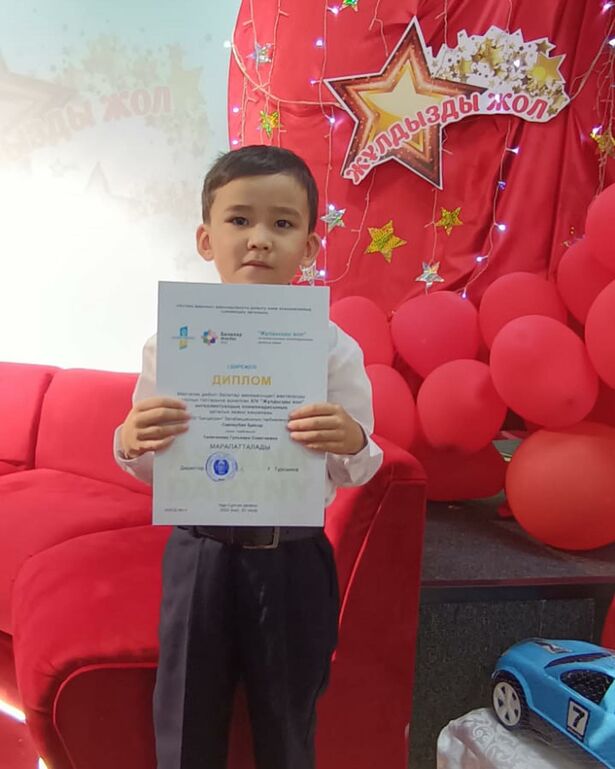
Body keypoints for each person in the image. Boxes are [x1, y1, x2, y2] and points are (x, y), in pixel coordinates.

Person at [114, 145, 383, 769]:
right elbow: (155, 466)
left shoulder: (333, 348)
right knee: (185, 717)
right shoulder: (171, 342)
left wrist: (350, 440)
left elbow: (359, 465)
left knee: (288, 718)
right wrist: (130, 438)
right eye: (239, 220)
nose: (260, 238)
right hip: (199, 550)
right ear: (206, 239)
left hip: (292, 555)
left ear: (309, 247)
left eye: (282, 223)